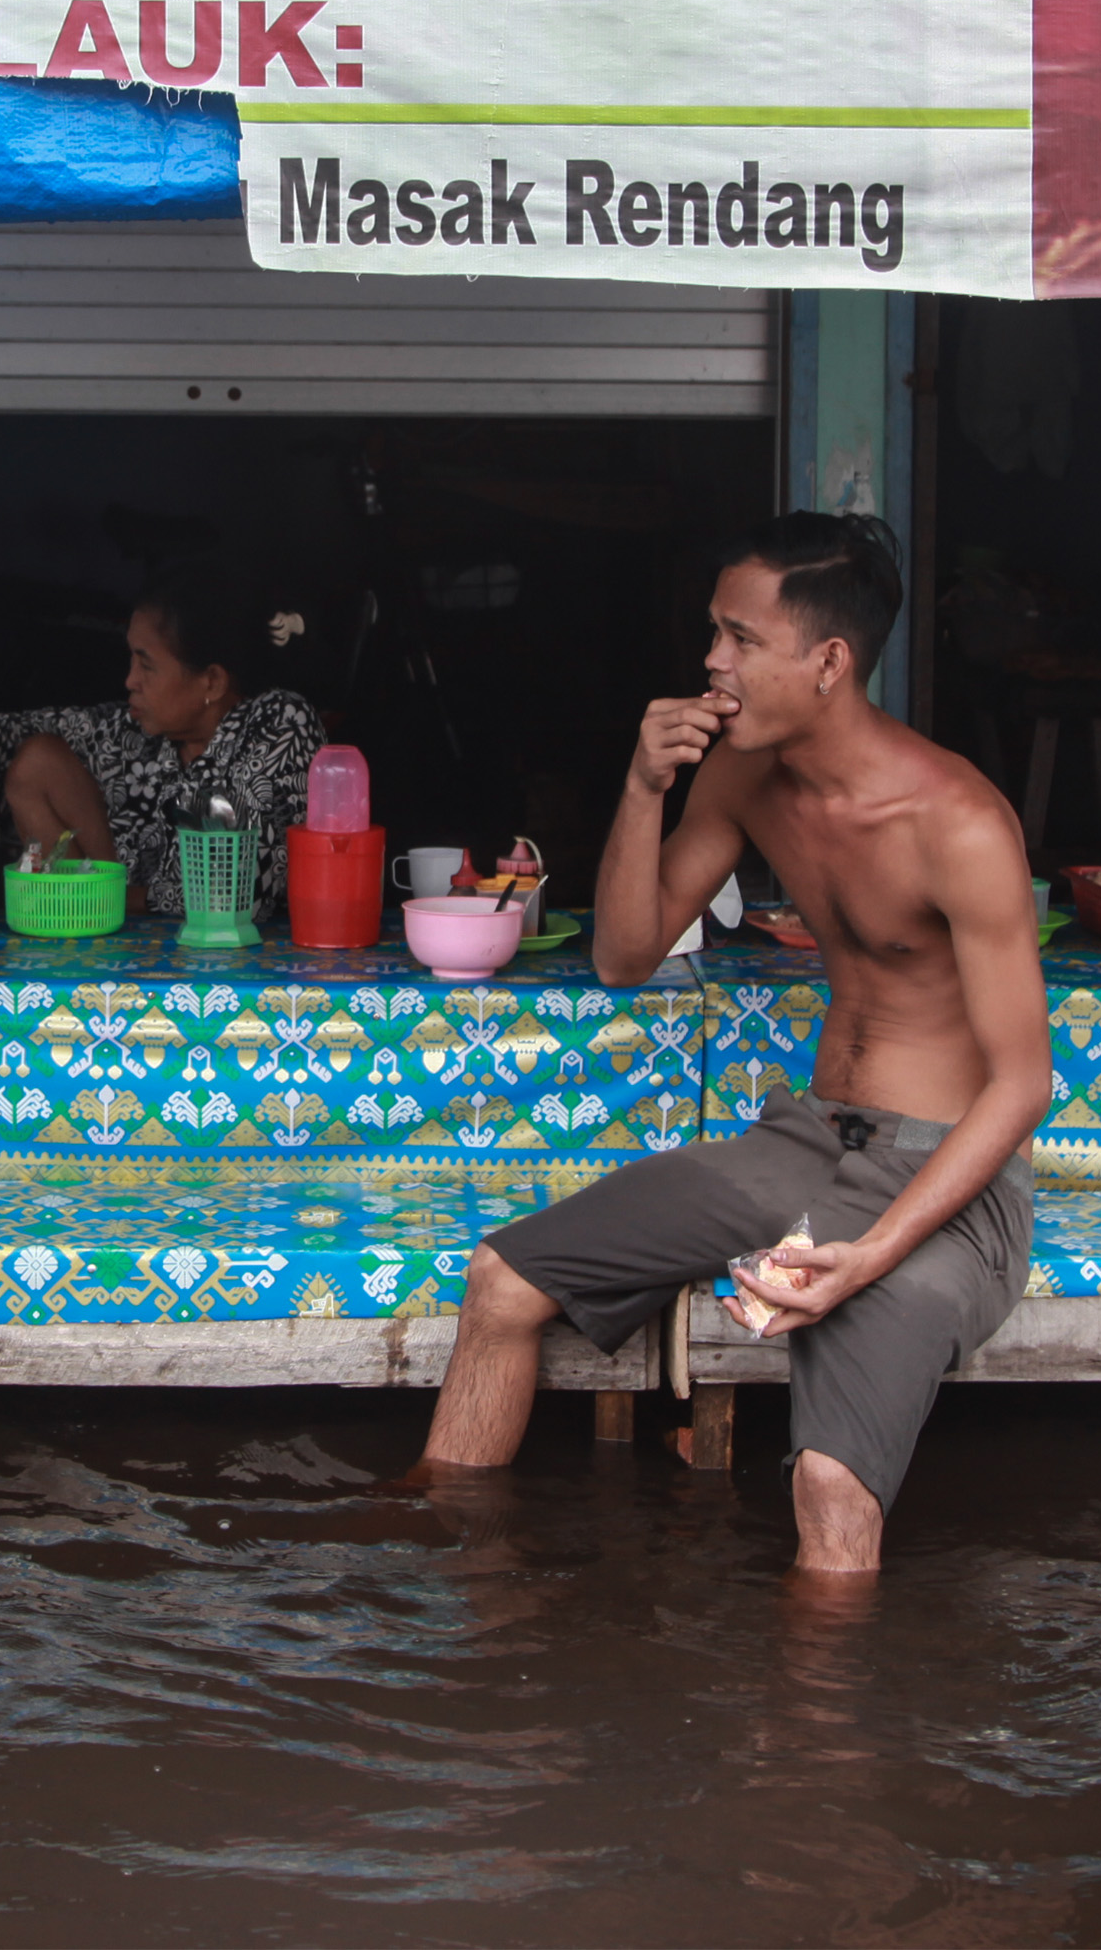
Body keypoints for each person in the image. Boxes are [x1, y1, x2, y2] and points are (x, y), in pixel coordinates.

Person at [409, 511, 1051, 1575]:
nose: (710, 660)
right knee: (498, 1282)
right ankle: (440, 1582)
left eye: (740, 638)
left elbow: (1022, 1084)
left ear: (828, 661)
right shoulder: (744, 775)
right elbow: (622, 955)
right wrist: (641, 785)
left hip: (939, 1184)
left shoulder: (958, 822)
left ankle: (815, 1734)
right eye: (713, 632)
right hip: (804, 1145)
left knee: (829, 1483)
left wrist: (866, 1258)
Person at [0, 560, 322, 916]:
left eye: (147, 665)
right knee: (36, 759)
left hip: (224, 961)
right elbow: (2, 733)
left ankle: (86, 904)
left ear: (210, 681)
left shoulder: (278, 723)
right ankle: (81, 916)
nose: (129, 680)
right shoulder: (131, 732)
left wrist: (108, 895)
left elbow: (233, 896)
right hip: (107, 936)